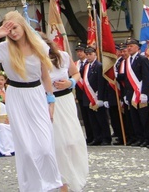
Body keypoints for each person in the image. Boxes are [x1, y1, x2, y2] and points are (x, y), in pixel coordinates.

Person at [0, 10, 62, 192]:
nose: (13, 32)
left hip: (37, 94)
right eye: (9, 30)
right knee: (27, 149)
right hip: (16, 95)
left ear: (22, 26)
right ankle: (32, 187)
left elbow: (45, 75)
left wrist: (51, 99)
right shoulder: (3, 49)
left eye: (15, 27)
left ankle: (51, 183)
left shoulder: (39, 46)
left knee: (45, 147)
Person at [47, 39, 88, 192]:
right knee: (58, 143)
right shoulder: (35, 60)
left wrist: (70, 82)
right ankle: (63, 183)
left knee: (72, 139)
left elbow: (76, 73)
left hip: (66, 100)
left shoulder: (63, 56)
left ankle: (75, 176)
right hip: (48, 102)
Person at [123, 37, 149, 147]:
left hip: (141, 93)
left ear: (137, 47)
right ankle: (139, 138)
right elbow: (126, 79)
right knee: (134, 118)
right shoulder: (128, 61)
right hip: (131, 93)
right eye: (128, 46)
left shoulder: (142, 59)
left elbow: (146, 76)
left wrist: (144, 92)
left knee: (143, 117)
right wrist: (126, 94)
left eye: (131, 46)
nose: (129, 48)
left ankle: (147, 138)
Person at [83, 46, 111, 146]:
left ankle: (106, 138)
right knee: (93, 120)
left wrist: (101, 98)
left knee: (102, 119)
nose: (88, 56)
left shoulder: (99, 65)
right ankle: (97, 137)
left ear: (95, 54)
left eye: (90, 54)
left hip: (97, 96)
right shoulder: (87, 66)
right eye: (87, 54)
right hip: (90, 97)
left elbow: (101, 83)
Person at [73, 43, 94, 144]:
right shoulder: (76, 64)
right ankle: (89, 136)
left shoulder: (88, 64)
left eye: (81, 51)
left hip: (90, 93)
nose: (79, 53)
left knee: (92, 117)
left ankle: (96, 136)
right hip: (81, 94)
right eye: (78, 52)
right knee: (85, 117)